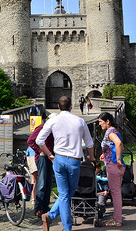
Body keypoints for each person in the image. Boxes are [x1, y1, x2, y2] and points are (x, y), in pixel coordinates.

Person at [36, 96, 95, 231]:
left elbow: (39, 140)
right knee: (70, 191)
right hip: (74, 161)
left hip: (59, 159)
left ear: (58, 107)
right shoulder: (79, 121)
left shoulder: (53, 120)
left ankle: (51, 216)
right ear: (71, 107)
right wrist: (91, 157)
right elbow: (90, 143)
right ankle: (66, 228)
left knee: (63, 194)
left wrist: (49, 154)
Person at [99, 112, 125, 227]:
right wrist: (106, 153)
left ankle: (117, 220)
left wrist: (117, 159)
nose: (99, 124)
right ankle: (116, 218)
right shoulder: (116, 131)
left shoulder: (109, 132)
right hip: (118, 166)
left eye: (101, 121)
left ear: (107, 121)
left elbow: (118, 144)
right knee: (117, 193)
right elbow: (121, 146)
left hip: (113, 165)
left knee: (115, 193)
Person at [27, 112, 56, 217]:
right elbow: (30, 141)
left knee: (48, 183)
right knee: (42, 182)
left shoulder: (55, 129)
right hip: (43, 157)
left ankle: (45, 206)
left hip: (50, 156)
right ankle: (38, 208)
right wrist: (39, 151)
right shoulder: (42, 127)